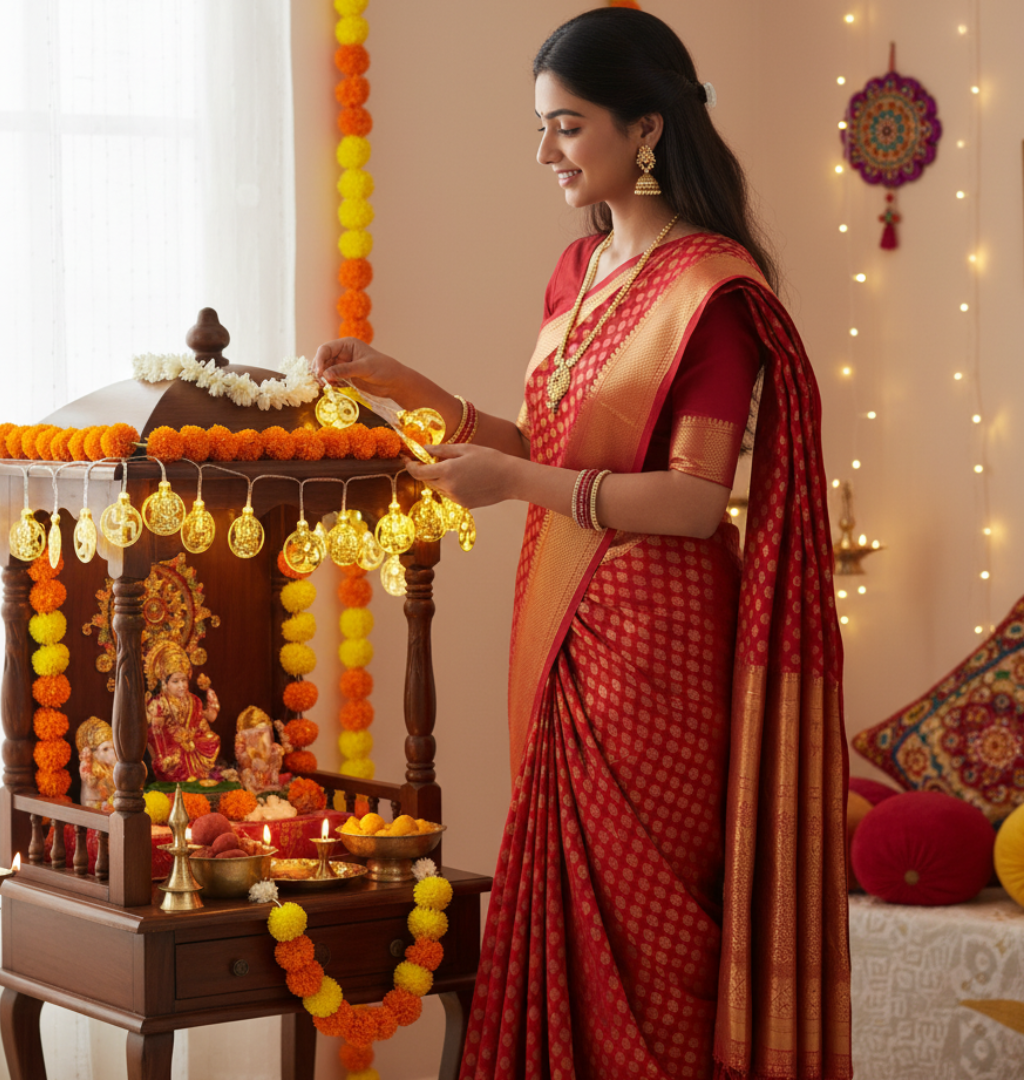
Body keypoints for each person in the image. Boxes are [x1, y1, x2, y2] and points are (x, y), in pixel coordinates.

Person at [315, 9, 851, 1080]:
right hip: (562, 620)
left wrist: (516, 486)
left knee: (648, 939)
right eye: (541, 128)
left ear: (645, 128)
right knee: (568, 909)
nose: (546, 153)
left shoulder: (712, 293)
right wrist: (401, 383)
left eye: (567, 126)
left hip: (656, 646)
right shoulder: (579, 268)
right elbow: (541, 446)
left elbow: (694, 501)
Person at [144, 639, 221, 782]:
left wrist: (202, 735)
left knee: (213, 739)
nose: (181, 686)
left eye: (184, 680)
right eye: (175, 681)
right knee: (174, 760)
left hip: (193, 743)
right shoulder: (159, 704)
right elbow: (155, 733)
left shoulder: (194, 700)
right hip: (171, 748)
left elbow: (200, 724)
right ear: (165, 683)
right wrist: (162, 757)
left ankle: (200, 772)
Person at [234, 705, 284, 793]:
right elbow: (244, 763)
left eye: (262, 734)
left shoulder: (274, 751)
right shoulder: (243, 750)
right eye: (254, 736)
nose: (260, 741)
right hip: (251, 776)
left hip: (268, 777)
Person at [76, 716, 116, 810]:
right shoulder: (89, 767)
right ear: (93, 753)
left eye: (113, 747)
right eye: (105, 749)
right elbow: (90, 782)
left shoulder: (109, 768)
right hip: (93, 805)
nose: (113, 753)